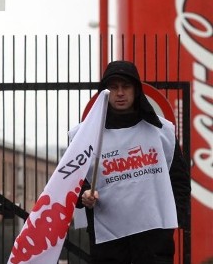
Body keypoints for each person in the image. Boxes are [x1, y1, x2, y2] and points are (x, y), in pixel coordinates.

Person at [77, 60, 190, 264]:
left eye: (126, 86)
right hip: (108, 242)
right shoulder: (85, 136)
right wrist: (84, 195)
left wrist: (172, 221)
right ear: (104, 92)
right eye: (113, 87)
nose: (120, 93)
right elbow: (72, 183)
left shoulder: (162, 132)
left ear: (136, 90)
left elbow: (180, 181)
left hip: (154, 240)